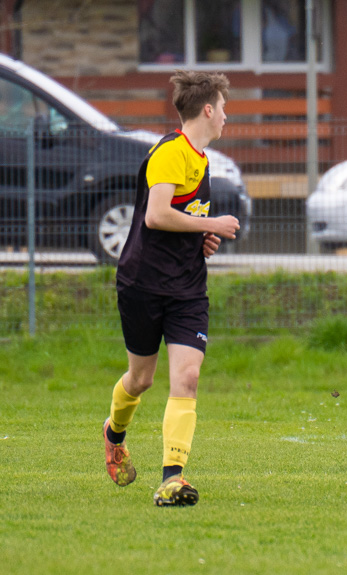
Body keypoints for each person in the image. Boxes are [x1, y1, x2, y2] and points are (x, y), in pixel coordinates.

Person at [102, 70, 240, 506]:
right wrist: (212, 223)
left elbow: (181, 218)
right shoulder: (170, 153)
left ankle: (172, 477)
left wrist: (202, 238)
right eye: (223, 108)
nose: (226, 117)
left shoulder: (201, 158)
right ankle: (114, 432)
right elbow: (156, 216)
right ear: (207, 109)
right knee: (141, 379)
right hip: (143, 282)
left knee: (187, 377)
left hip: (187, 287)